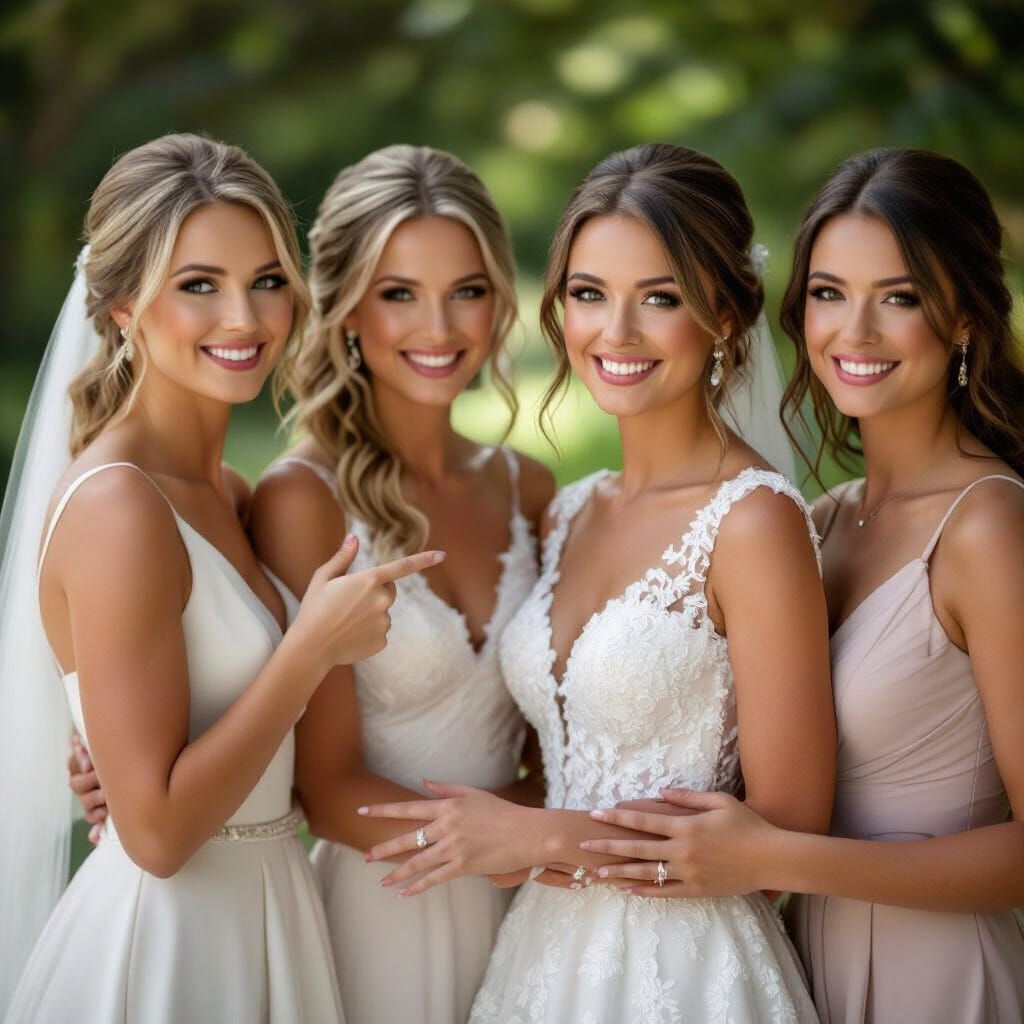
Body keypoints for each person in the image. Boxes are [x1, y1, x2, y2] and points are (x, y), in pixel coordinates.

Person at [361, 143, 835, 1023]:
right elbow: (558, 772)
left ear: (725, 316)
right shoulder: (569, 511)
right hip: (543, 957)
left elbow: (785, 839)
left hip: (688, 970)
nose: (614, 334)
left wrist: (542, 836)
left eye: (659, 299)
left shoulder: (755, 522)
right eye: (588, 295)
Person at [0, 133, 440, 1022]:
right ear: (123, 305)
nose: (244, 318)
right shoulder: (119, 506)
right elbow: (158, 835)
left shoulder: (226, 493)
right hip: (171, 938)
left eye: (267, 280)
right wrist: (310, 649)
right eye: (198, 285)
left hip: (271, 911)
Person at [584, 148, 1024, 1024]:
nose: (852, 332)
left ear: (966, 317)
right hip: (807, 968)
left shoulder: (989, 528)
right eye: (828, 294)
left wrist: (781, 863)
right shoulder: (823, 520)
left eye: (899, 298)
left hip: (941, 975)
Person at [247, 145, 553, 1024]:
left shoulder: (529, 489)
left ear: (499, 301)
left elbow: (557, 746)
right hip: (387, 909)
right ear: (344, 306)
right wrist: (501, 836)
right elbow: (329, 788)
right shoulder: (303, 500)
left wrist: (537, 839)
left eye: (467, 290)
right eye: (399, 294)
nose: (440, 327)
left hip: (533, 901)